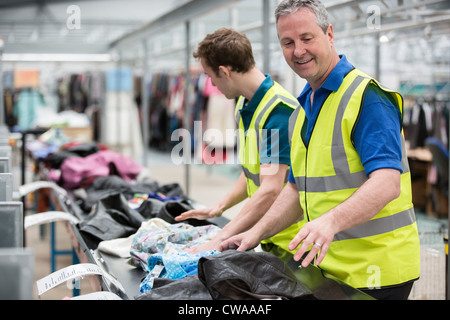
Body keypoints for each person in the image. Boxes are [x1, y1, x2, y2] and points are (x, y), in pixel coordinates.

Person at [219, 0, 420, 300]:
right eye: (287, 42)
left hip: (375, 271)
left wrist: (329, 222)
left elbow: (387, 183)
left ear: (329, 34)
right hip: (330, 267)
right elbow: (295, 191)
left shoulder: (367, 98)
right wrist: (255, 233)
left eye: (307, 38)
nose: (297, 50)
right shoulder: (303, 109)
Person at [175, 27, 303, 254]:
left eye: (210, 76)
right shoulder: (247, 106)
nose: (211, 85)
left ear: (224, 72)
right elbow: (254, 171)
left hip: (293, 241)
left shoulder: (278, 111)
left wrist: (221, 237)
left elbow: (271, 189)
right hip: (270, 234)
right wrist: (220, 206)